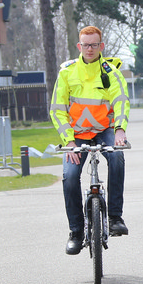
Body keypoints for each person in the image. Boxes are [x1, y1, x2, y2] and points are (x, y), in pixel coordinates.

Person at [50, 25, 130, 256]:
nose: (90, 49)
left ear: (101, 46)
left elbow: (121, 101)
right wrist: (69, 141)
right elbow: (57, 109)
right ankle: (76, 232)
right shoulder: (67, 73)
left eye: (94, 45)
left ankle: (115, 217)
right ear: (79, 46)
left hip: (104, 129)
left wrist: (120, 130)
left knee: (117, 157)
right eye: (86, 45)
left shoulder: (111, 73)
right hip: (75, 134)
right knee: (70, 176)